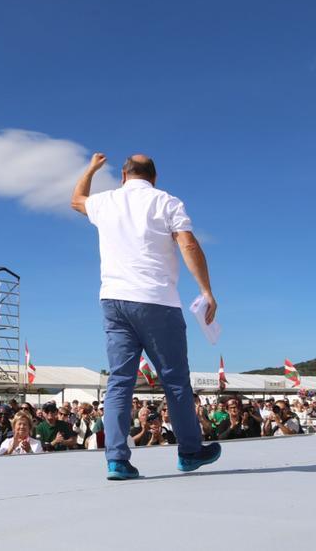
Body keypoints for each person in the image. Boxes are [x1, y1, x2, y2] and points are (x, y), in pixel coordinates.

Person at [71, 152, 222, 480]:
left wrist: (92, 169)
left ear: (124, 176)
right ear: (153, 178)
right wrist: (206, 291)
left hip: (113, 301)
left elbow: (76, 200)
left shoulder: (106, 201)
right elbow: (188, 244)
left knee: (120, 381)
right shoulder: (166, 202)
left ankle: (117, 461)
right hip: (157, 301)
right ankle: (189, 452)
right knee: (175, 380)